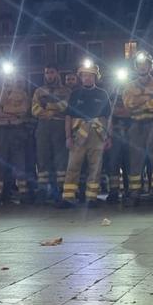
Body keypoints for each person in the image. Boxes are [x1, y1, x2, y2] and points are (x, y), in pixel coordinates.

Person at [59, 60, 112, 208]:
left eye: (90, 76)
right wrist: (68, 136)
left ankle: (91, 198)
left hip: (97, 135)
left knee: (95, 168)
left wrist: (109, 137)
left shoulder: (102, 94)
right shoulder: (75, 94)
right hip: (78, 136)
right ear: (80, 77)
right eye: (84, 76)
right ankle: (68, 198)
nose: (87, 78)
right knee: (72, 167)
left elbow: (108, 117)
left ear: (95, 77)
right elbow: (68, 117)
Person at [118, 51, 153, 206]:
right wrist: (147, 98)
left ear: (151, 66)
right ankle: (134, 194)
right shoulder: (129, 86)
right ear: (136, 67)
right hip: (136, 125)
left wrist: (138, 99)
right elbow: (128, 105)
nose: (142, 67)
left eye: (145, 64)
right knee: (135, 161)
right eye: (139, 64)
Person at [0, 70, 33, 204]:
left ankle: (23, 193)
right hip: (0, 130)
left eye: (10, 77)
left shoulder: (22, 94)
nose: (7, 80)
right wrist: (12, 112)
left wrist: (4, 110)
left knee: (19, 162)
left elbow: (24, 110)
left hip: (17, 130)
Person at [32, 65, 70, 203]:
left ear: (57, 74)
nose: (49, 75)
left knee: (61, 159)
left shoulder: (66, 91)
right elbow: (35, 109)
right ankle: (43, 189)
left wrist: (48, 107)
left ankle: (61, 189)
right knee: (42, 158)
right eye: (47, 73)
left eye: (52, 72)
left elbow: (66, 106)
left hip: (59, 125)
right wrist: (54, 109)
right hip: (43, 126)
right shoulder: (39, 91)